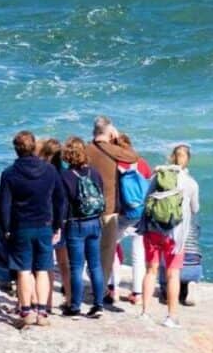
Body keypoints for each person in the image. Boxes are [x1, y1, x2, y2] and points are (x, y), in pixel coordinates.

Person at [0, 130, 65, 328]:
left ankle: (26, 311)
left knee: (24, 270)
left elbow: (4, 205)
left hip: (21, 227)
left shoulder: (9, 173)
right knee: (43, 269)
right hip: (44, 225)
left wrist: (5, 228)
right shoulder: (50, 170)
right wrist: (58, 225)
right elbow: (59, 200)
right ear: (34, 146)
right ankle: (42, 312)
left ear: (16, 149)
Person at [85, 116, 145, 305]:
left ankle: (84, 286)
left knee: (87, 249)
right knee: (106, 250)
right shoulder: (112, 150)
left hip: (85, 209)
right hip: (108, 209)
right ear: (109, 132)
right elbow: (133, 156)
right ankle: (101, 289)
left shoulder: (85, 150)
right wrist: (117, 138)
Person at [141, 144, 199, 328]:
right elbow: (195, 208)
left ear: (172, 157)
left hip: (153, 230)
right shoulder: (190, 182)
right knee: (173, 274)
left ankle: (145, 313)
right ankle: (171, 317)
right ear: (187, 159)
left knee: (151, 271)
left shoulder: (158, 176)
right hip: (175, 234)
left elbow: (146, 199)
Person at [59, 136, 105, 319]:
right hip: (95, 221)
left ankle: (75, 306)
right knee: (95, 265)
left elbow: (63, 204)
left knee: (76, 267)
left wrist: (60, 224)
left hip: (76, 223)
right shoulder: (95, 173)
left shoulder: (65, 176)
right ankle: (98, 305)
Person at [107, 132, 153, 305]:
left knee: (111, 247)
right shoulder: (141, 162)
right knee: (138, 253)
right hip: (140, 213)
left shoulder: (113, 164)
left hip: (121, 213)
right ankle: (137, 293)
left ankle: (113, 288)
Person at [37, 138, 69, 312]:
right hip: (63, 221)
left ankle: (47, 302)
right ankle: (69, 298)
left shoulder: (44, 173)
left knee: (47, 264)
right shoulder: (65, 173)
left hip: (48, 221)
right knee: (64, 263)